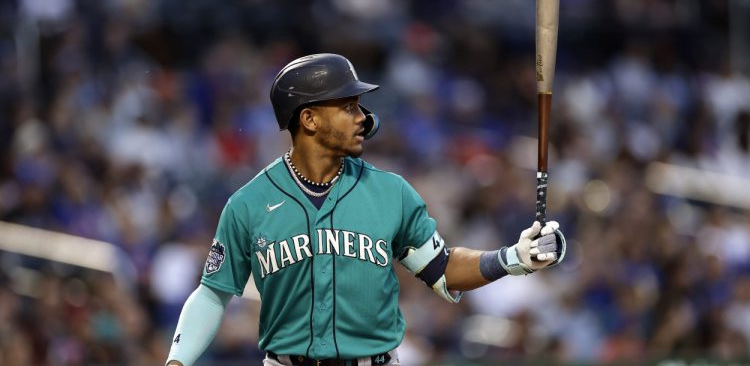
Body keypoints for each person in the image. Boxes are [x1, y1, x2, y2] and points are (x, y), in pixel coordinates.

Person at [165, 53, 566, 366]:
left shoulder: (391, 192)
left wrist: (514, 258)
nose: (363, 117)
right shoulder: (248, 204)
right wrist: (177, 360)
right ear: (309, 119)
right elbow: (213, 294)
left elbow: (442, 270)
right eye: (348, 106)